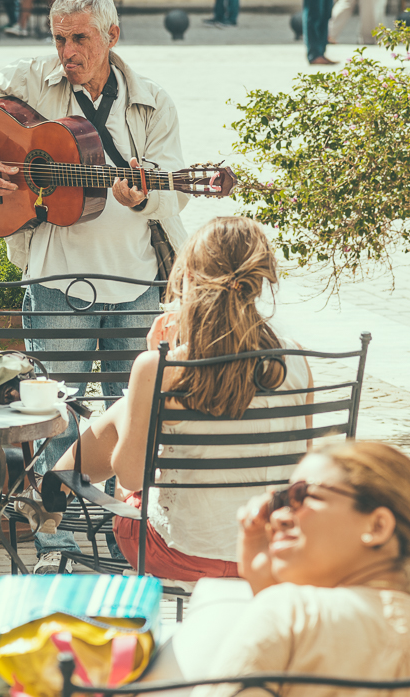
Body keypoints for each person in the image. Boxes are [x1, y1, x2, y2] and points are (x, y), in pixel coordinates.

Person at [0, 0, 190, 574]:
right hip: (54, 278)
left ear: (112, 37)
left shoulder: (151, 103)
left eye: (81, 39)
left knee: (134, 412)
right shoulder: (32, 78)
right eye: (60, 38)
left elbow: (170, 189)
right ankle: (59, 538)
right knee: (57, 412)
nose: (68, 52)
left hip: (135, 283)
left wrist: (140, 194)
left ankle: (131, 532)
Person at [50, 217, 313, 582]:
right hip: (276, 547)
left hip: (180, 551)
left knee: (129, 411)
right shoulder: (297, 359)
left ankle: (53, 486)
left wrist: (151, 369)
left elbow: (129, 476)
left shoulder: (161, 367)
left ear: (188, 278)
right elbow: (302, 468)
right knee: (136, 407)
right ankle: (55, 484)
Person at [190, 442, 410, 697]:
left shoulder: (289, 615)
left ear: (377, 526)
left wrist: (271, 596)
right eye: (280, 501)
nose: (278, 517)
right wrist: (265, 581)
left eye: (302, 496)